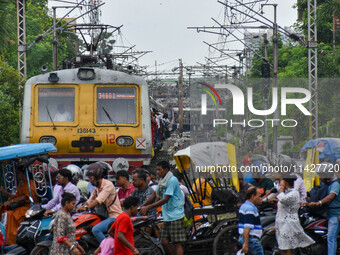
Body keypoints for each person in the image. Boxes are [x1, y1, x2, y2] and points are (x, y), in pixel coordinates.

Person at [140, 161, 185, 255]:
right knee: (164, 242)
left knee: (177, 243)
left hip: (175, 215)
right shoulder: (162, 181)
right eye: (157, 169)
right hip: (167, 216)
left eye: (159, 170)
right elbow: (154, 195)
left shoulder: (172, 180)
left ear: (166, 170)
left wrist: (148, 207)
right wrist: (142, 206)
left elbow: (165, 199)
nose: (157, 172)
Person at [77, 162, 122, 243]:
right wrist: (81, 207)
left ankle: (107, 249)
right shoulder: (97, 187)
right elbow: (90, 200)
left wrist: (87, 207)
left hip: (114, 216)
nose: (89, 181)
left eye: (91, 178)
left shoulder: (108, 185)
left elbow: (98, 200)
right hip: (103, 216)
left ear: (97, 177)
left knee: (96, 230)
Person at [0, 165, 39, 245]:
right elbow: (16, 196)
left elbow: (25, 196)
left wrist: (11, 201)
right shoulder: (21, 184)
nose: (17, 176)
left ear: (23, 173)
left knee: (11, 215)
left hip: (29, 206)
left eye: (18, 173)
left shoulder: (30, 183)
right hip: (20, 205)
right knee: (2, 209)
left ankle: (11, 239)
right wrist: (4, 193)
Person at [276, 174, 314, 255]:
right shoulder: (287, 193)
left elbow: (283, 199)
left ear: (285, 182)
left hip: (288, 225)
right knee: (283, 249)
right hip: (281, 224)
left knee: (286, 249)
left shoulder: (294, 193)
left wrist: (281, 187)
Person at [309, 163, 340, 255]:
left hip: (335, 214)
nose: (320, 177)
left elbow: (331, 196)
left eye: (321, 175)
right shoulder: (327, 184)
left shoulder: (335, 184)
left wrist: (319, 203)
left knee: (331, 237)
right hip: (328, 213)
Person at [238, 186, 263, 255]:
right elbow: (247, 228)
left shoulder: (243, 206)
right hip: (252, 240)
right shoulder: (250, 208)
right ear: (252, 196)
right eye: (259, 196)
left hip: (243, 238)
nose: (261, 198)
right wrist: (246, 244)